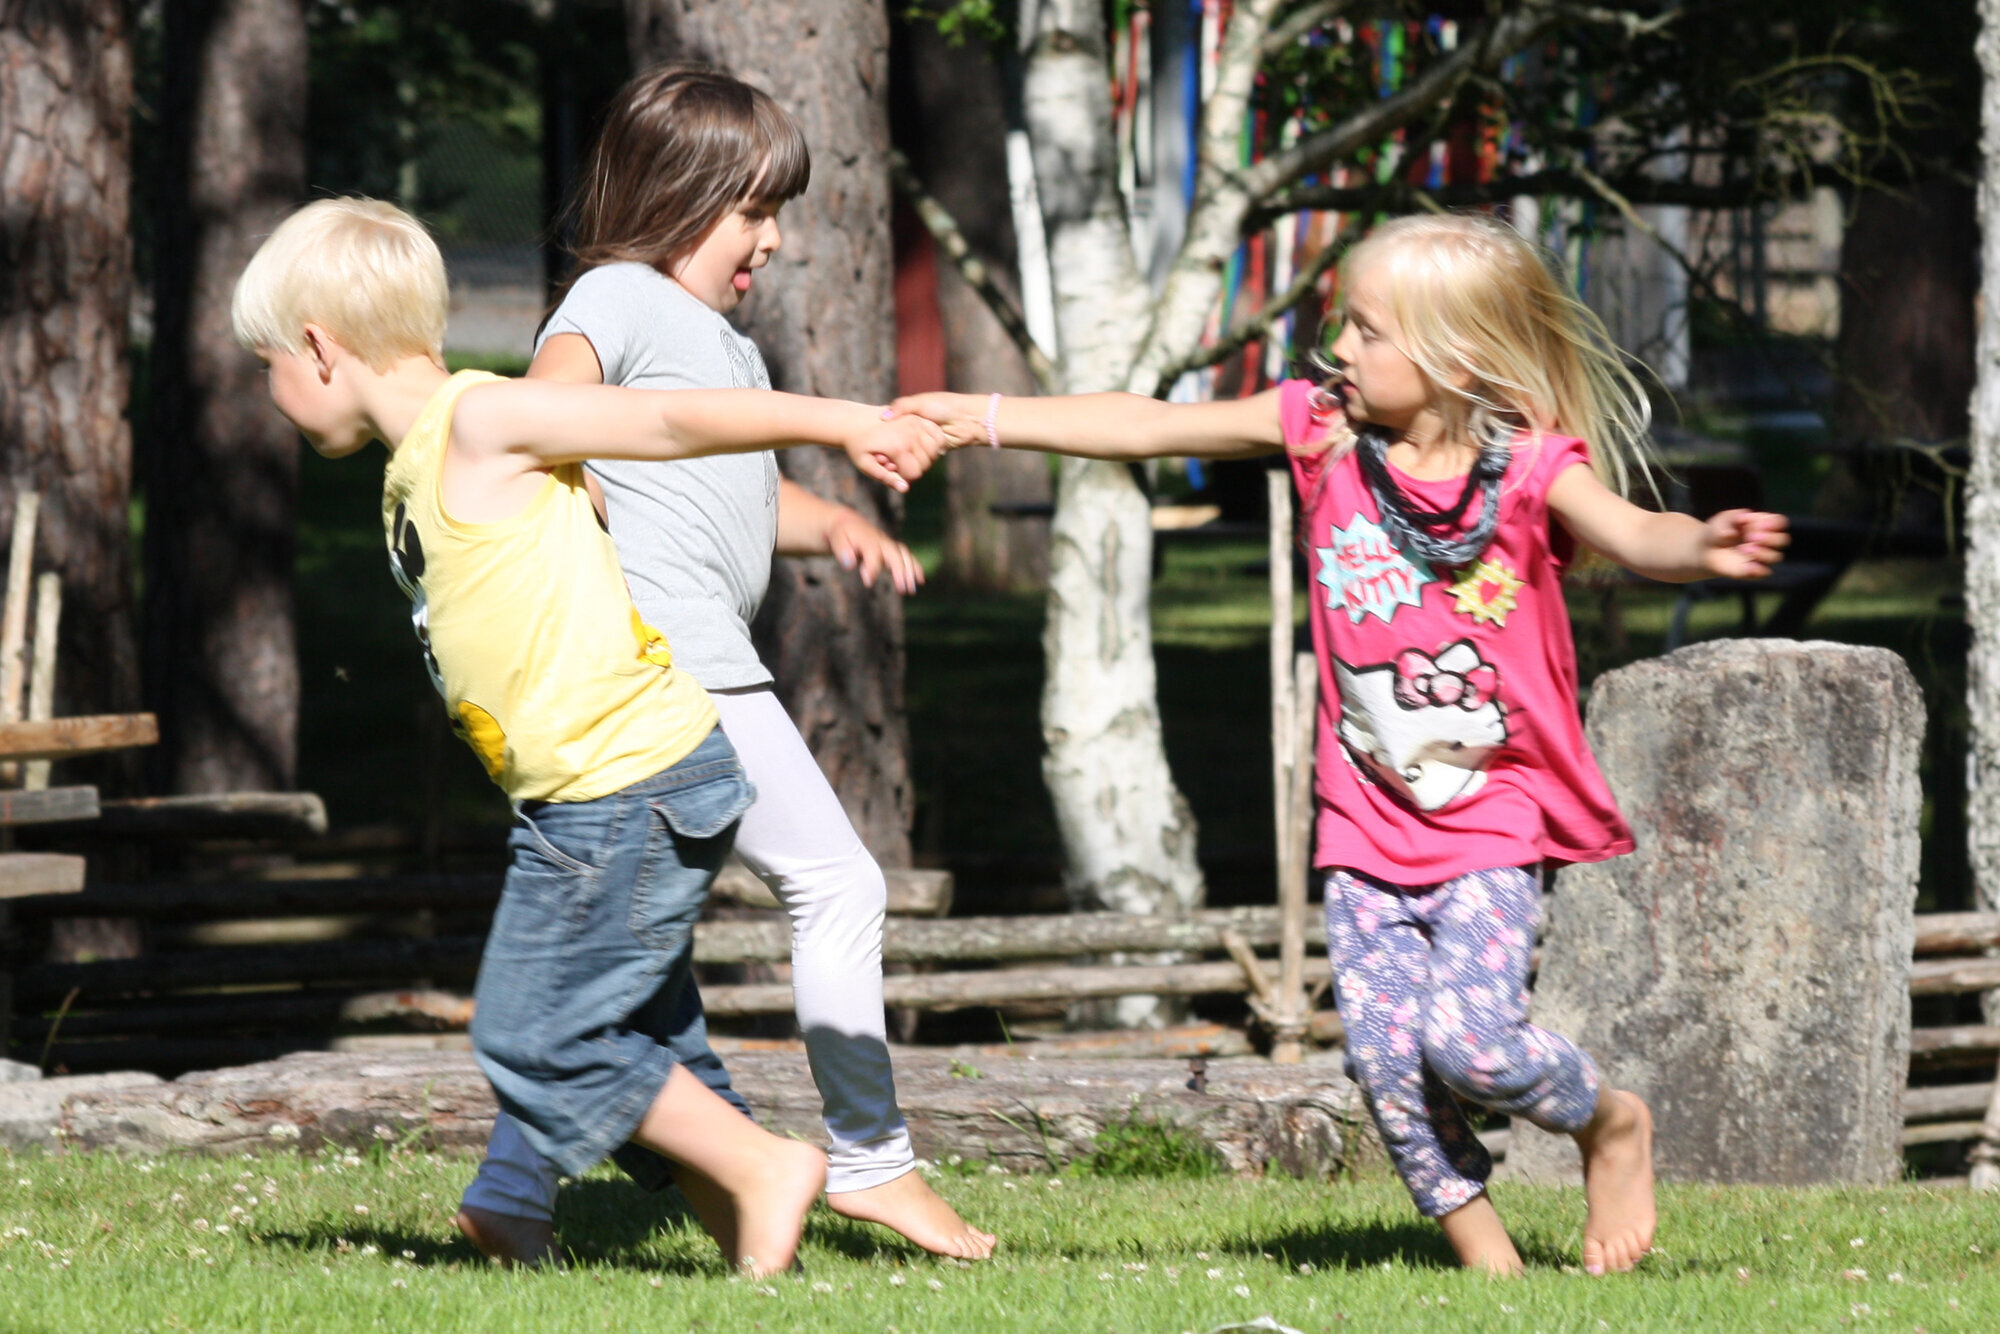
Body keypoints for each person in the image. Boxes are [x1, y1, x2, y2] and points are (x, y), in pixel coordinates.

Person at [892, 212, 1791, 1276]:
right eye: (1340, 327)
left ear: (1455, 357)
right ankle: (1490, 1269)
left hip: (1487, 816)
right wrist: (982, 414)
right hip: (1361, 820)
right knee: (1382, 1060)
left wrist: (1701, 543)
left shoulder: (1528, 470)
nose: (1337, 352)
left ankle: (1608, 1122)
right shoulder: (1319, 433)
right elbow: (1145, 426)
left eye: (1366, 332)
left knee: (1470, 1042)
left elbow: (1634, 532)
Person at [232, 196, 949, 1278]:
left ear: (322, 349)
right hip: (589, 794)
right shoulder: (422, 459)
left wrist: (843, 421)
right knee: (647, 1038)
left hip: (626, 785)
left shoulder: (485, 421)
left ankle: (764, 1168)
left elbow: (665, 423)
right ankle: (706, 1232)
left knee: (537, 1036)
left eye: (267, 362)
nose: (266, 389)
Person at [456, 64, 995, 1265]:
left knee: (622, 951)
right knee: (838, 885)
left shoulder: (716, 343)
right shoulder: (619, 296)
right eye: (753, 211)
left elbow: (724, 491)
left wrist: (834, 521)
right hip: (677, 663)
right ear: (686, 193)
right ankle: (871, 1161)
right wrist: (588, 507)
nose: (773, 236)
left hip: (682, 666)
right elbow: (551, 419)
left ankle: (509, 1188)